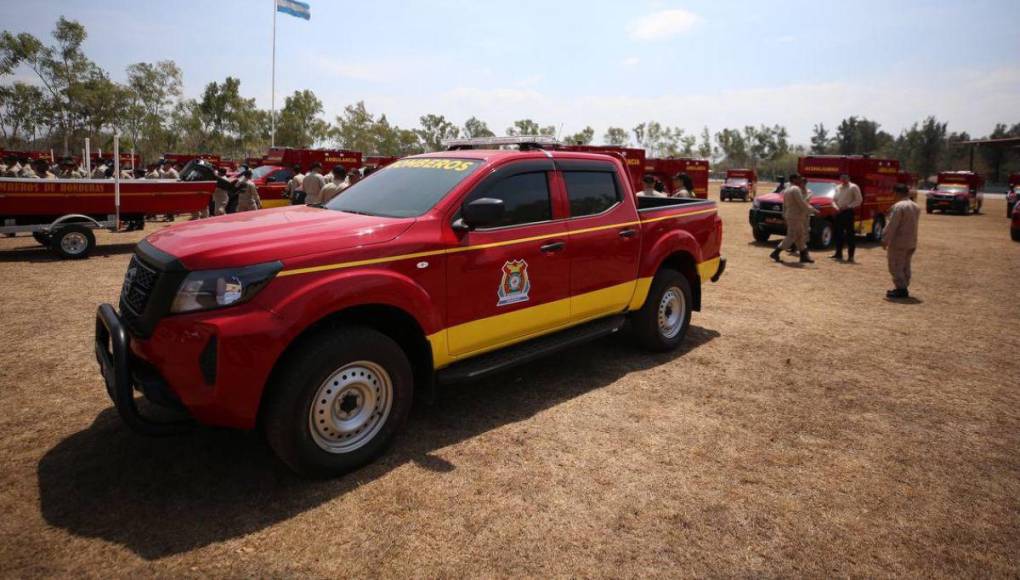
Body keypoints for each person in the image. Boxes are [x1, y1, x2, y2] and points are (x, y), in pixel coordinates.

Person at [882, 183, 921, 299]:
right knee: (905, 265)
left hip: (899, 241)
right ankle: (903, 286)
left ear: (897, 193)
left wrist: (885, 239)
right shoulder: (915, 206)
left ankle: (901, 289)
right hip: (911, 240)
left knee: (895, 265)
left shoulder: (899, 206)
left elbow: (892, 225)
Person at [770, 174, 818, 263]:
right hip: (795, 216)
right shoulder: (795, 189)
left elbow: (784, 204)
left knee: (800, 236)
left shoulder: (787, 189)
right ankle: (776, 252)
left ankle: (804, 256)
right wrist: (813, 210)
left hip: (794, 215)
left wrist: (784, 214)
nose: (800, 180)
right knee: (791, 236)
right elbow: (801, 203)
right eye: (798, 178)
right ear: (794, 179)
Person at [831, 173, 862, 262]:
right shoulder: (838, 187)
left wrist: (848, 206)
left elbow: (859, 200)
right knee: (838, 233)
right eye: (842, 178)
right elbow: (833, 200)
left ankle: (850, 256)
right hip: (838, 212)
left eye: (845, 178)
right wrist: (836, 207)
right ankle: (838, 254)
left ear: (849, 178)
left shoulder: (853, 187)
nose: (843, 179)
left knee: (850, 235)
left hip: (848, 212)